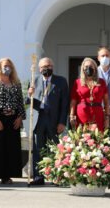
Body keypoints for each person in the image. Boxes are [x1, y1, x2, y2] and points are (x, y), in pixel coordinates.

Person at [27, 57, 69, 186]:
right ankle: (38, 177)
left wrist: (62, 122)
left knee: (56, 148)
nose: (47, 68)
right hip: (39, 118)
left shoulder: (61, 81)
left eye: (49, 65)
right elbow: (27, 103)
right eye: (44, 66)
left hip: (54, 120)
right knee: (38, 149)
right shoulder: (34, 80)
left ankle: (57, 176)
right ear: (39, 69)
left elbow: (65, 104)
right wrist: (29, 95)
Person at [69, 58, 110, 131]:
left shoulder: (101, 82)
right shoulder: (77, 82)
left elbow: (106, 101)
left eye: (91, 66)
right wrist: (72, 116)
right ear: (83, 69)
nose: (89, 68)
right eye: (86, 67)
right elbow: (73, 101)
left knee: (98, 138)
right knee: (83, 138)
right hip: (82, 113)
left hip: (98, 113)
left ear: (95, 68)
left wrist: (107, 117)